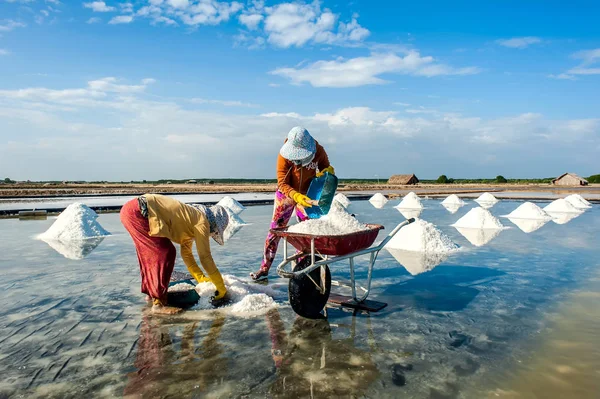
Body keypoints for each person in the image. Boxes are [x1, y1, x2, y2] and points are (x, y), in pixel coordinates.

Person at [120, 193, 244, 314]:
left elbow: (187, 255)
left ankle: (151, 294)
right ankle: (158, 304)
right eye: (213, 231)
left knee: (151, 254)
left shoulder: (189, 221)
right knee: (164, 252)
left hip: (130, 210)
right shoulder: (201, 221)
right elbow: (205, 257)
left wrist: (201, 279)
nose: (210, 234)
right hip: (139, 211)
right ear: (213, 224)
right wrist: (220, 287)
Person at [251, 126, 334, 281]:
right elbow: (282, 183)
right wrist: (295, 196)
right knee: (275, 230)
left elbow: (325, 167)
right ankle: (264, 268)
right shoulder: (284, 156)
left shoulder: (318, 150)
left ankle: (302, 265)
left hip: (308, 196)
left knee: (307, 232)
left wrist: (327, 171)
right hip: (286, 195)